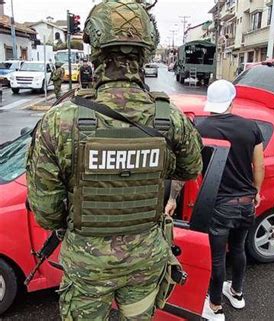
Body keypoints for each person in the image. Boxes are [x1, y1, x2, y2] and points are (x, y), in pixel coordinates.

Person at [26, 1, 203, 320]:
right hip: (146, 261)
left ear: (94, 48)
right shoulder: (169, 117)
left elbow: (45, 212)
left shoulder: (60, 121)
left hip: (87, 267)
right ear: (148, 48)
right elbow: (191, 169)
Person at [194, 79, 264, 321]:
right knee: (238, 248)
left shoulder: (200, 127)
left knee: (217, 256)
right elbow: (259, 165)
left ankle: (214, 307)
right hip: (246, 203)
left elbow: (189, 166)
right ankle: (236, 292)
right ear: (231, 101)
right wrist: (257, 192)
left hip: (220, 205)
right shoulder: (251, 127)